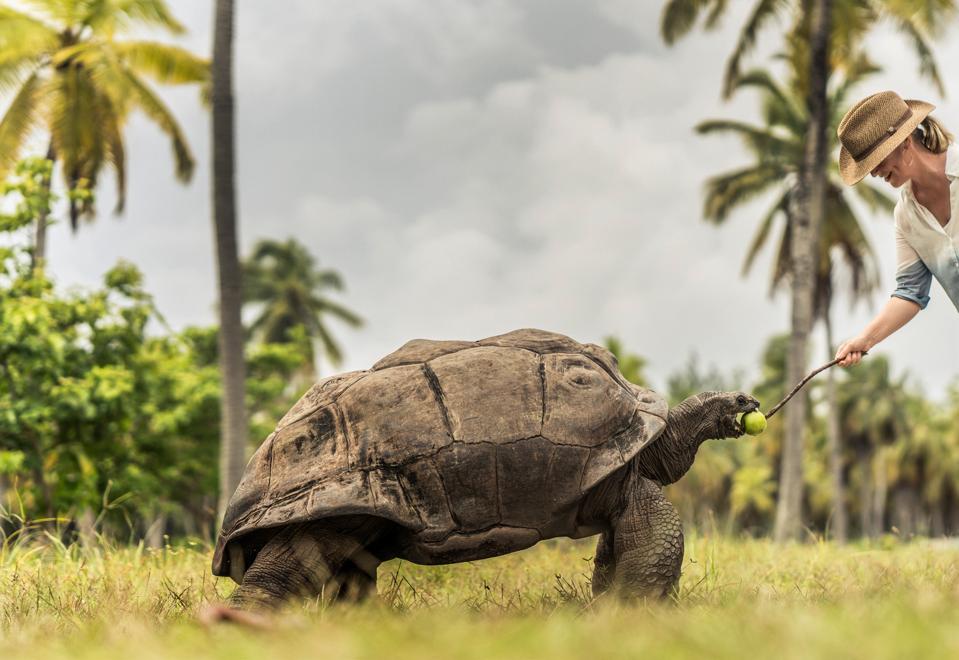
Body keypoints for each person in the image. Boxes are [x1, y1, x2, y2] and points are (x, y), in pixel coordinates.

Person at [833, 90, 957, 367]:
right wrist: (865, 339)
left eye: (876, 160)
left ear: (904, 142)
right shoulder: (906, 216)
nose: (874, 172)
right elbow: (910, 292)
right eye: (868, 166)